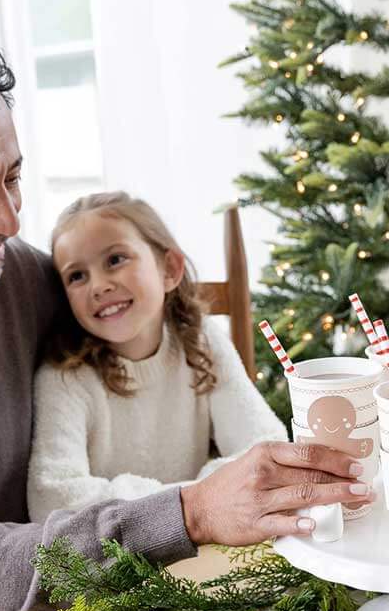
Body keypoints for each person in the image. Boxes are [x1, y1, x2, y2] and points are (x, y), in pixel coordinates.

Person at [0, 15, 374, 611]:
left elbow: (155, 324)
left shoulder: (9, 274)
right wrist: (194, 509)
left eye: (13, 177)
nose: (9, 220)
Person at [28, 191, 288, 518]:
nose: (98, 286)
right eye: (77, 276)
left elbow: (266, 444)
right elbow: (51, 497)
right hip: (114, 558)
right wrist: (196, 500)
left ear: (169, 269)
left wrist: (192, 505)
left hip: (205, 543)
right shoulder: (65, 377)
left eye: (115, 260)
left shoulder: (203, 340)